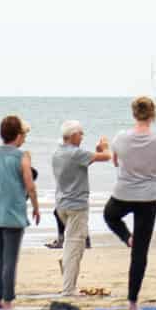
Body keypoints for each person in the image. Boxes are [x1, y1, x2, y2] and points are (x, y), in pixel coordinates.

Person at [103, 95, 156, 310]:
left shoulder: (120, 138)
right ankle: (132, 301)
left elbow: (115, 162)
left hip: (125, 192)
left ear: (134, 113)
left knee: (110, 215)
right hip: (148, 197)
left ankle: (127, 237)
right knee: (140, 252)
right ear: (153, 114)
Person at [0, 115, 39, 310]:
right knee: (10, 258)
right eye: (23, 134)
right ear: (18, 135)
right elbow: (30, 186)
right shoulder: (22, 156)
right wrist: (36, 207)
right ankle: (7, 299)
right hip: (12, 211)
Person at [52, 122, 111, 297]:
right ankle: (68, 289)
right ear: (72, 135)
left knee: (74, 243)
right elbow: (106, 156)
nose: (82, 137)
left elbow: (83, 163)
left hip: (62, 204)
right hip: (76, 205)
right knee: (76, 245)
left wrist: (97, 151)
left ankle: (66, 266)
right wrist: (104, 147)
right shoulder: (75, 153)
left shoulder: (58, 152)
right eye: (81, 134)